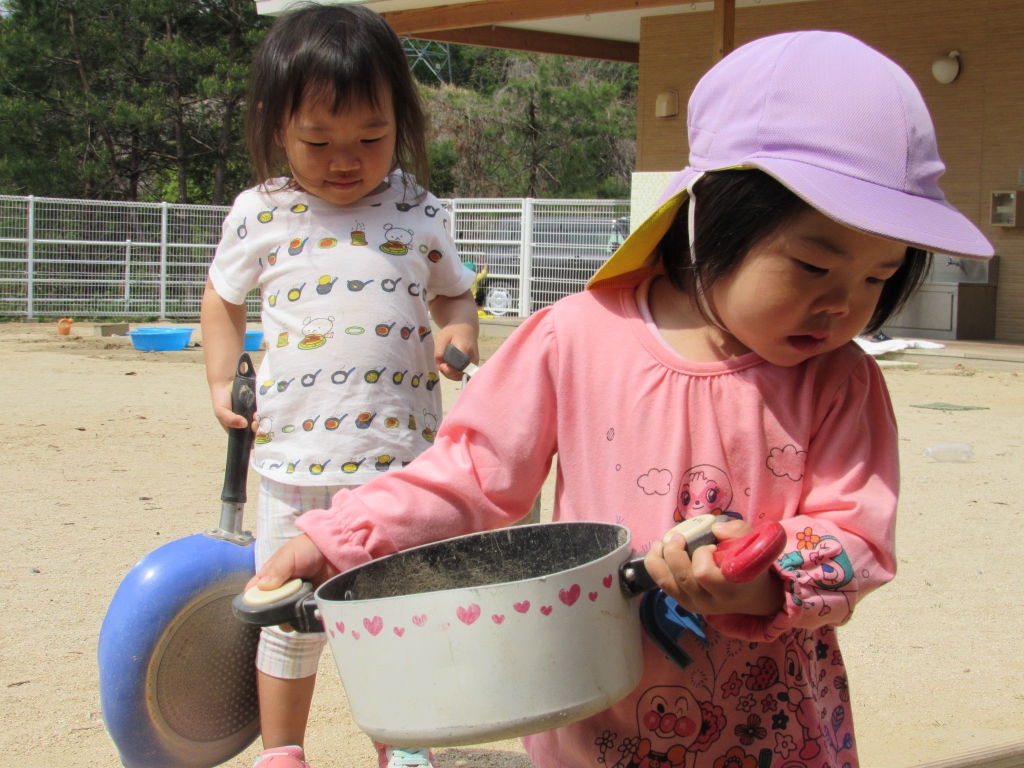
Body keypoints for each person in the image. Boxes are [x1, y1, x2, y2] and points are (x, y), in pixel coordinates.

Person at [248, 31, 993, 768]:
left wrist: (762, 579)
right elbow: (469, 473)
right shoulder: (575, 339)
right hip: (591, 727)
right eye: (812, 265)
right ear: (712, 219)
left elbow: (856, 540)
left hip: (773, 734)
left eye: (877, 278)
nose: (842, 307)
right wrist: (345, 535)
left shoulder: (842, 382)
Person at [199, 5, 479, 768]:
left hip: (401, 465)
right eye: (319, 141)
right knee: (288, 620)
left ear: (401, 116)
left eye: (371, 138)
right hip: (294, 460)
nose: (346, 160)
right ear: (275, 124)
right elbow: (222, 299)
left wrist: (458, 333)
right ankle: (283, 752)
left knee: (400, 612)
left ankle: (408, 745)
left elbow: (454, 292)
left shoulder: (417, 209)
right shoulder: (264, 211)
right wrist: (224, 377)